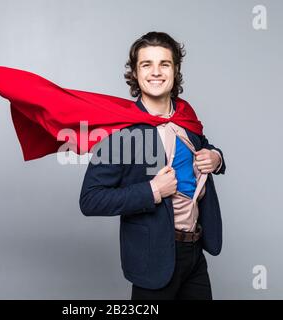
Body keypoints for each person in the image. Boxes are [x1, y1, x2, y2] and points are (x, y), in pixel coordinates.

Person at [79, 31, 226, 300]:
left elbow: (203, 145)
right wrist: (153, 191)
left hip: (195, 254)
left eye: (164, 64)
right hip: (154, 258)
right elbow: (90, 200)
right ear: (135, 73)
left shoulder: (186, 116)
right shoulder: (121, 132)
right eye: (147, 64)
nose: (156, 72)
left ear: (176, 70)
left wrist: (216, 158)